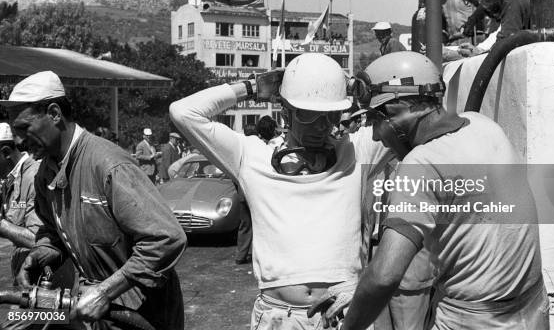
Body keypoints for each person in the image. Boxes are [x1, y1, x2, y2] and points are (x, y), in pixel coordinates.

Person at [310, 51, 549, 329]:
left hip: (471, 320)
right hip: (531, 310)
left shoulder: (420, 165)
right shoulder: (483, 126)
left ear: (398, 111)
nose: (375, 135)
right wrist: (361, 288)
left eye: (376, 120)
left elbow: (385, 276)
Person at [170, 53, 393, 329]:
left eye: (331, 115)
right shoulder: (251, 156)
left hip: (344, 313)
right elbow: (183, 112)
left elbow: (411, 116)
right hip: (280, 318)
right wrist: (253, 87)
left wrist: (359, 91)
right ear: (285, 111)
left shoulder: (355, 151)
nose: (322, 126)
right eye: (309, 114)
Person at [1, 71, 187, 329]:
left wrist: (105, 292)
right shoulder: (46, 173)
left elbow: (167, 238)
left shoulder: (109, 166)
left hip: (145, 313)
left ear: (54, 114)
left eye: (24, 128)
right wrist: (41, 254)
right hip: (99, 311)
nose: (19, 142)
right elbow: (53, 233)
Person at [0, 123, 42, 330]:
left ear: (6, 152)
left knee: (12, 327)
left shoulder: (34, 177)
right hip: (26, 283)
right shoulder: (11, 179)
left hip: (43, 286)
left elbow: (37, 239)